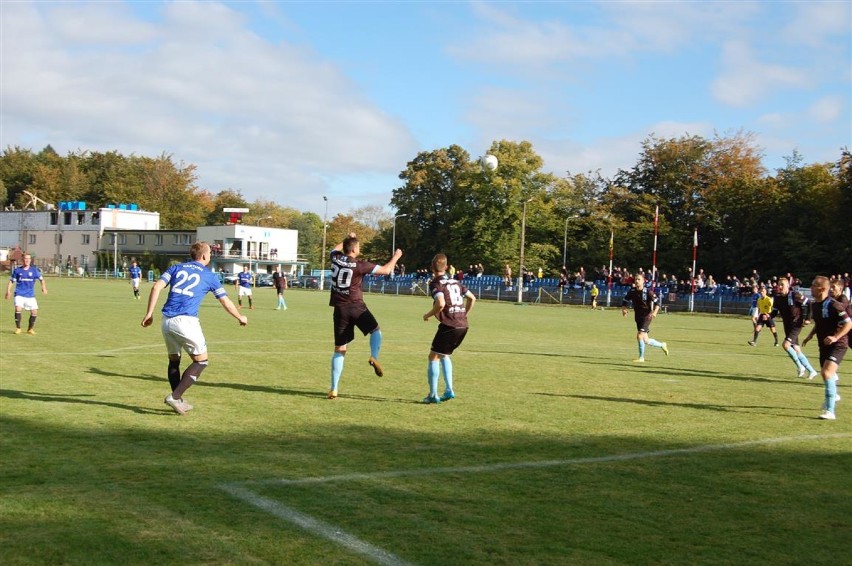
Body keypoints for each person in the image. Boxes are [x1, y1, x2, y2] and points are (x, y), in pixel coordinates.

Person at [141, 241, 247, 415]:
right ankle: (175, 397)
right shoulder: (209, 275)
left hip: (166, 320)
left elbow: (156, 286)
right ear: (205, 256)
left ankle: (178, 401)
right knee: (201, 361)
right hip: (186, 322)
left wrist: (149, 313)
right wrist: (239, 316)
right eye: (210, 255)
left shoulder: (176, 268)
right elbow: (224, 301)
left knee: (174, 360)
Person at [327, 232, 402, 399]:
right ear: (354, 249)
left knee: (340, 349)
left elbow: (334, 249)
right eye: (358, 246)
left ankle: (334, 388)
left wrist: (346, 238)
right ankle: (374, 356)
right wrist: (396, 256)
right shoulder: (360, 265)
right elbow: (387, 269)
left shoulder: (335, 258)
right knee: (376, 331)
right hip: (356, 306)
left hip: (340, 309)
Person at [421, 253, 476, 404]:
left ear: (432, 267)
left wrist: (428, 314)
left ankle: (433, 395)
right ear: (446, 267)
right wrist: (464, 314)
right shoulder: (456, 282)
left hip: (450, 325)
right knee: (445, 355)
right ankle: (449, 390)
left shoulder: (435, 283)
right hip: (463, 325)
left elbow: (440, 303)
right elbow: (472, 298)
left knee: (433, 356)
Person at [802, 276, 851, 420]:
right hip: (823, 345)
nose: (810, 288)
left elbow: (848, 324)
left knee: (826, 373)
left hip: (839, 344)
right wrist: (810, 335)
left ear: (822, 288)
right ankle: (833, 394)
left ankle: (830, 411)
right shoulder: (815, 305)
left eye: (813, 285)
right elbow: (820, 323)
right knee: (827, 374)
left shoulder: (834, 305)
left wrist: (835, 337)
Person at [773, 276, 818, 379]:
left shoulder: (794, 295)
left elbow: (810, 303)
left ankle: (800, 367)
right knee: (797, 349)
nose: (780, 287)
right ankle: (812, 371)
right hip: (787, 325)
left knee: (786, 345)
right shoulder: (777, 298)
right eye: (779, 284)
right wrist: (768, 316)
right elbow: (774, 312)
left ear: (788, 286)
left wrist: (808, 318)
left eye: (782, 285)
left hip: (796, 324)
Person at [621, 273, 669, 362]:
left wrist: (654, 312)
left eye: (639, 279)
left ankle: (641, 358)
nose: (637, 281)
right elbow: (624, 301)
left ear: (643, 281)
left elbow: (657, 303)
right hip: (638, 317)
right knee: (646, 340)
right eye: (636, 279)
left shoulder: (648, 292)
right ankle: (662, 345)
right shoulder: (632, 291)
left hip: (647, 316)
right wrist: (624, 309)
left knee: (639, 335)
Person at [5, 253, 48, 335]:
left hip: (30, 295)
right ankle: (18, 328)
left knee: (34, 311)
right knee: (18, 308)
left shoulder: (34, 270)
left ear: (30, 260)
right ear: (22, 260)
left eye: (28, 258)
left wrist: (44, 287)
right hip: (19, 293)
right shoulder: (17, 270)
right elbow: (11, 281)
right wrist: (8, 291)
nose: (27, 260)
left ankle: (30, 329)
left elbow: (41, 279)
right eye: (25, 258)